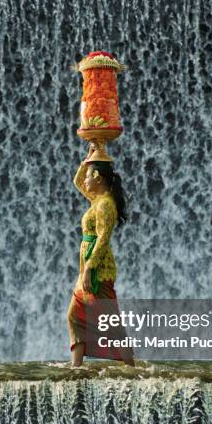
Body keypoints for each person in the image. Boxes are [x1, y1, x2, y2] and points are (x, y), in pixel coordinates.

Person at [67, 143, 134, 368]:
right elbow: (77, 182)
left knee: (109, 320)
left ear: (97, 177)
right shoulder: (97, 200)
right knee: (76, 315)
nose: (85, 181)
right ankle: (76, 367)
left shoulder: (105, 205)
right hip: (88, 266)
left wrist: (89, 268)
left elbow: (103, 239)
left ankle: (130, 366)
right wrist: (87, 160)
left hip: (98, 268)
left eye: (88, 176)